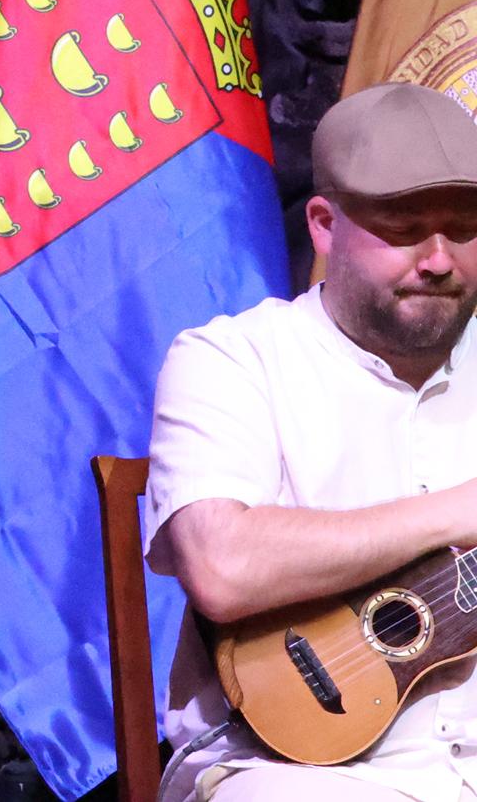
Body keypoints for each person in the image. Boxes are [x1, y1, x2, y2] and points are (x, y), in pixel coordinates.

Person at [147, 81, 477, 802]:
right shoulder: (231, 359)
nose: (441, 259)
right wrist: (457, 512)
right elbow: (222, 567)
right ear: (325, 225)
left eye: (464, 227)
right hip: (293, 771)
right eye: (404, 228)